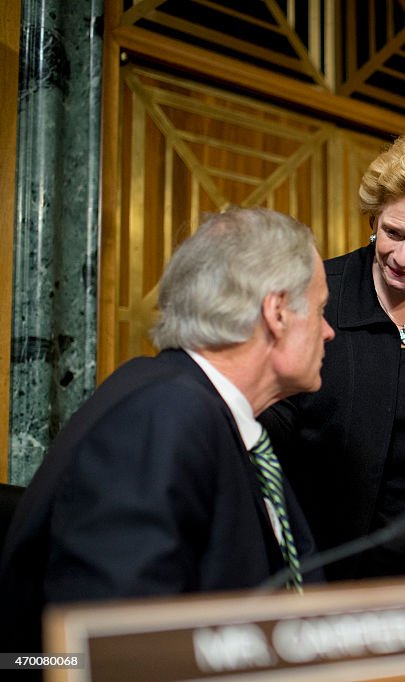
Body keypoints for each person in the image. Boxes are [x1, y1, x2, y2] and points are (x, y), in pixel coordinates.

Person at [0, 208, 333, 652]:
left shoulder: (195, 407)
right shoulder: (163, 414)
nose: (329, 332)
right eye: (321, 310)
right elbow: (121, 649)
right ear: (276, 313)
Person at [260, 130, 405, 580]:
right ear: (374, 220)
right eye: (392, 232)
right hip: (312, 570)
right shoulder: (318, 295)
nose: (402, 256)